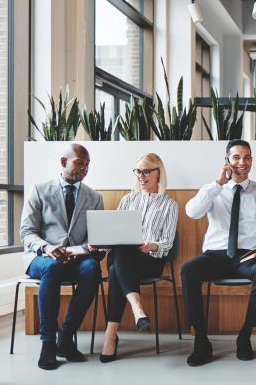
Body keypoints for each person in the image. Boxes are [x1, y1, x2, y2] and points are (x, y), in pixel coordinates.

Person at [181, 139, 256, 366]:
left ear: (252, 161)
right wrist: (218, 183)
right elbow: (192, 212)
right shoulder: (213, 189)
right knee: (188, 270)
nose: (241, 162)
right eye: (236, 157)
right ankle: (201, 342)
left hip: (247, 256)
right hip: (215, 255)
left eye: (246, 158)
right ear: (227, 160)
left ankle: (245, 336)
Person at [20, 144, 105, 370]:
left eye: (88, 164)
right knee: (53, 268)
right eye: (80, 162)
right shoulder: (39, 190)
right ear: (63, 162)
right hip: (42, 258)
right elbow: (26, 232)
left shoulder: (94, 197)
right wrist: (48, 248)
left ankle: (65, 337)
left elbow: (95, 238)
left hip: (76, 259)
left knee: (92, 270)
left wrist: (88, 249)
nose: (85, 168)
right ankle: (48, 343)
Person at [99, 153, 179, 363]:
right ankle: (137, 310)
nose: (141, 176)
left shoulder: (169, 205)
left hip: (150, 260)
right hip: (124, 257)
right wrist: (97, 242)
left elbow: (167, 243)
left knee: (117, 265)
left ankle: (111, 334)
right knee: (122, 251)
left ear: (158, 173)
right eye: (138, 171)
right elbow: (114, 235)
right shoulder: (127, 200)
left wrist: (152, 245)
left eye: (146, 171)